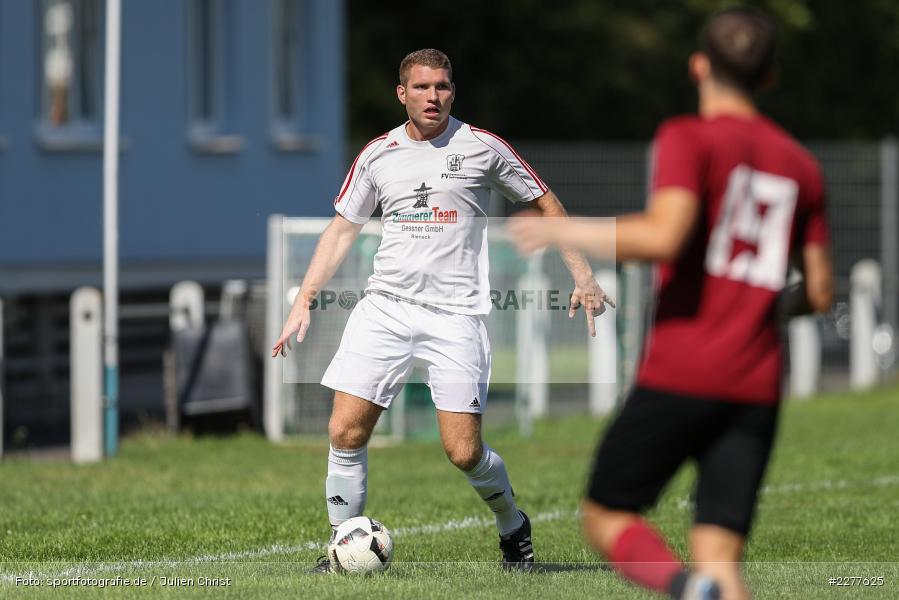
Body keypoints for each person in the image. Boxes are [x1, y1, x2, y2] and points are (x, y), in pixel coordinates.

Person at [508, 8, 833, 599]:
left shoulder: (690, 136)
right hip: (755, 384)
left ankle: (685, 592)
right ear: (769, 78)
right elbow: (820, 292)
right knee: (721, 556)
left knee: (607, 516)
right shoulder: (802, 166)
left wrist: (563, 231)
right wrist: (765, 310)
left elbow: (665, 236)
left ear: (699, 66)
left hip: (683, 370)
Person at [272, 48, 612, 572]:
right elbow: (343, 228)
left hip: (456, 316)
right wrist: (304, 298)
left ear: (453, 91)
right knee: (345, 432)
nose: (434, 96)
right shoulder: (377, 154)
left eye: (443, 87)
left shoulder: (482, 147)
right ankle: (344, 548)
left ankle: (512, 526)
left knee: (463, 452)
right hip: (384, 308)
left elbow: (545, 201)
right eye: (423, 87)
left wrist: (582, 273)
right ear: (402, 93)